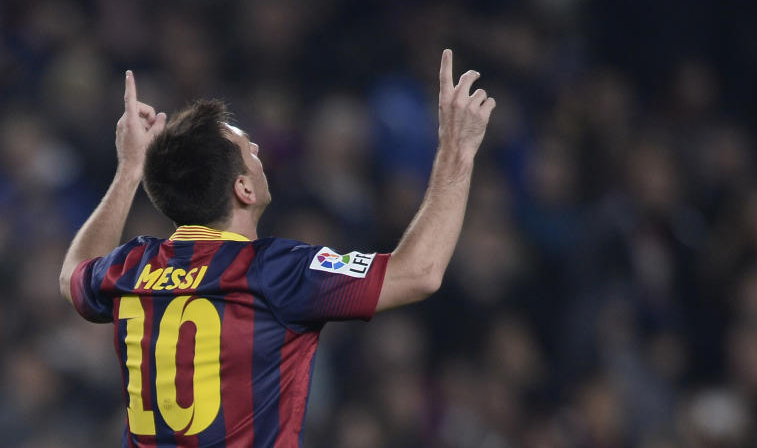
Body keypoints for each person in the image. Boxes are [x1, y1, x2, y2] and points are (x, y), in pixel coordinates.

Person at [58, 49, 495, 447]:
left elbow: (73, 274)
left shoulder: (132, 268)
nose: (258, 148)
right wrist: (457, 151)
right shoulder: (274, 271)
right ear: (244, 188)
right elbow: (419, 273)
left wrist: (129, 170)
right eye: (248, 148)